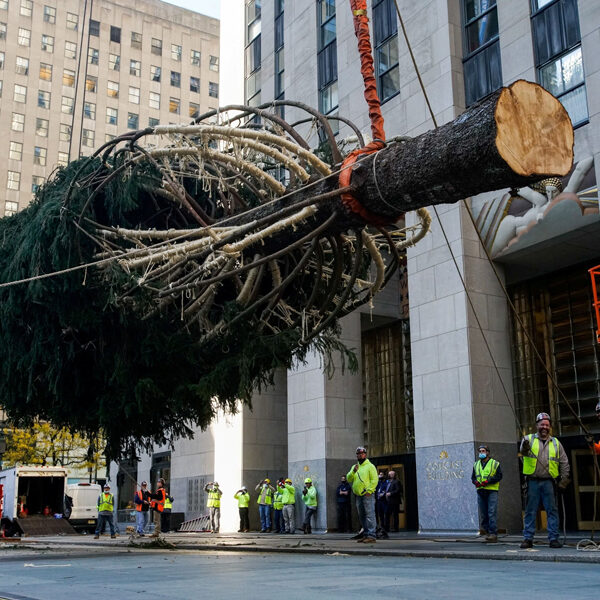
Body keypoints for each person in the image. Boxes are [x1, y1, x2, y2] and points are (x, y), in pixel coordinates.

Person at [520, 412, 570, 549]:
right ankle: (528, 539)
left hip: (549, 482)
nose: (544, 427)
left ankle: (553, 538)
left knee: (552, 511)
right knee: (530, 510)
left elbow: (564, 462)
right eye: (542, 424)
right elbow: (523, 453)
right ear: (537, 425)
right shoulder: (528, 439)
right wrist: (524, 447)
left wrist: (564, 480)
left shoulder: (556, 443)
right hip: (532, 481)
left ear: (550, 427)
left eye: (547, 425)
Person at [347, 446, 378, 543]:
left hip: (367, 494)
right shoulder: (354, 467)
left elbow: (374, 480)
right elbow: (349, 479)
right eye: (358, 454)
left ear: (365, 454)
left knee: (369, 515)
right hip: (358, 495)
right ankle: (366, 534)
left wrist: (369, 490)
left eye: (362, 453)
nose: (360, 455)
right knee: (362, 516)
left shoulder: (370, 466)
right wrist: (353, 472)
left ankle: (372, 535)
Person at [471, 445, 502, 543]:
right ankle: (488, 532)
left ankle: (493, 534)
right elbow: (473, 477)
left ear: (488, 452)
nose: (481, 453)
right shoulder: (476, 464)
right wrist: (475, 482)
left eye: (483, 451)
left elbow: (499, 476)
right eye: (480, 451)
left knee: (491, 512)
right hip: (480, 491)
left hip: (491, 490)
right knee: (484, 514)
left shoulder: (495, 463)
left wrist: (488, 481)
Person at [375, 472, 389, 539]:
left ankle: (386, 529)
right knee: (380, 515)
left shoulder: (386, 483)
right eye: (379, 475)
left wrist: (383, 494)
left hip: (384, 501)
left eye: (381, 475)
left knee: (385, 515)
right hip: (378, 501)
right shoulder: (378, 483)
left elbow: (386, 490)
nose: (380, 476)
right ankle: (381, 528)